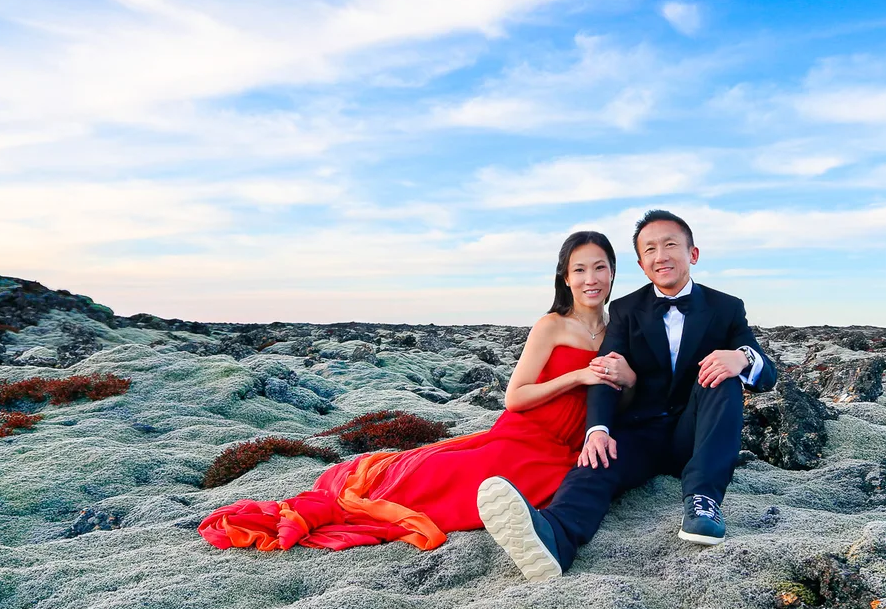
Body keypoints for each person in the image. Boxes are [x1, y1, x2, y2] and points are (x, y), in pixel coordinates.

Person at [198, 231, 636, 552]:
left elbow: (623, 401)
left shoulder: (620, 330)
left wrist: (627, 380)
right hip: (522, 435)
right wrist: (577, 378)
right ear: (565, 275)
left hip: (568, 447)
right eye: (580, 269)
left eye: (600, 267)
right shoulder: (551, 326)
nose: (590, 278)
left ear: (613, 272)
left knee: (544, 492)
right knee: (444, 485)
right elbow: (514, 397)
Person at [477, 209, 777, 581]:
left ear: (693, 254)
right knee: (596, 461)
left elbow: (767, 374)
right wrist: (598, 429)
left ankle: (704, 503)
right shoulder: (624, 310)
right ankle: (555, 536)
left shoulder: (726, 307)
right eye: (650, 249)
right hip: (640, 432)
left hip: (697, 435)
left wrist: (742, 357)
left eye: (670, 245)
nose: (661, 256)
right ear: (640, 263)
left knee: (723, 377)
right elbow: (605, 368)